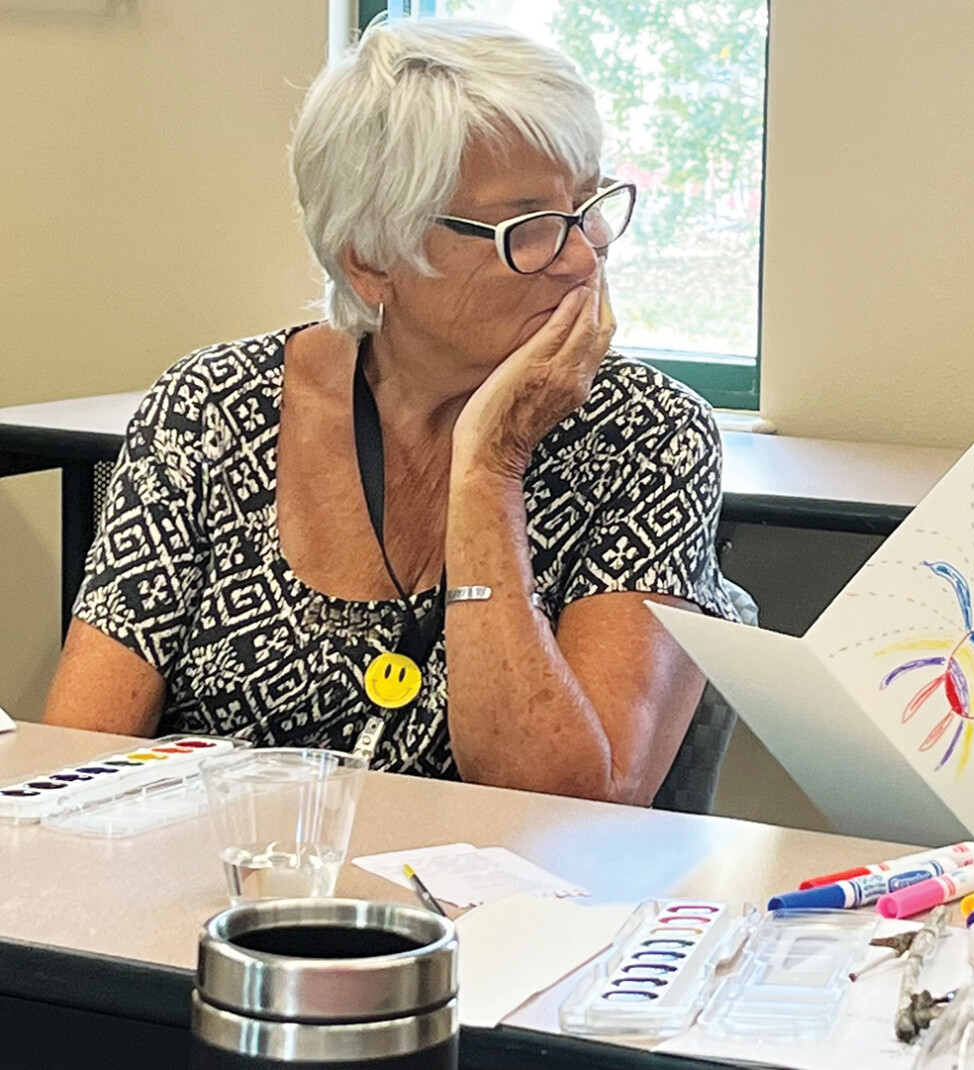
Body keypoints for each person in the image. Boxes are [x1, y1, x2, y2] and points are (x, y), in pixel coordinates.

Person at [41, 19, 738, 806]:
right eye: (530, 227)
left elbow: (579, 807)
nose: (584, 256)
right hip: (224, 896)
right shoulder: (212, 409)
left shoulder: (646, 433)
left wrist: (489, 466)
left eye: (589, 205)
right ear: (372, 259)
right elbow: (78, 760)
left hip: (510, 920)